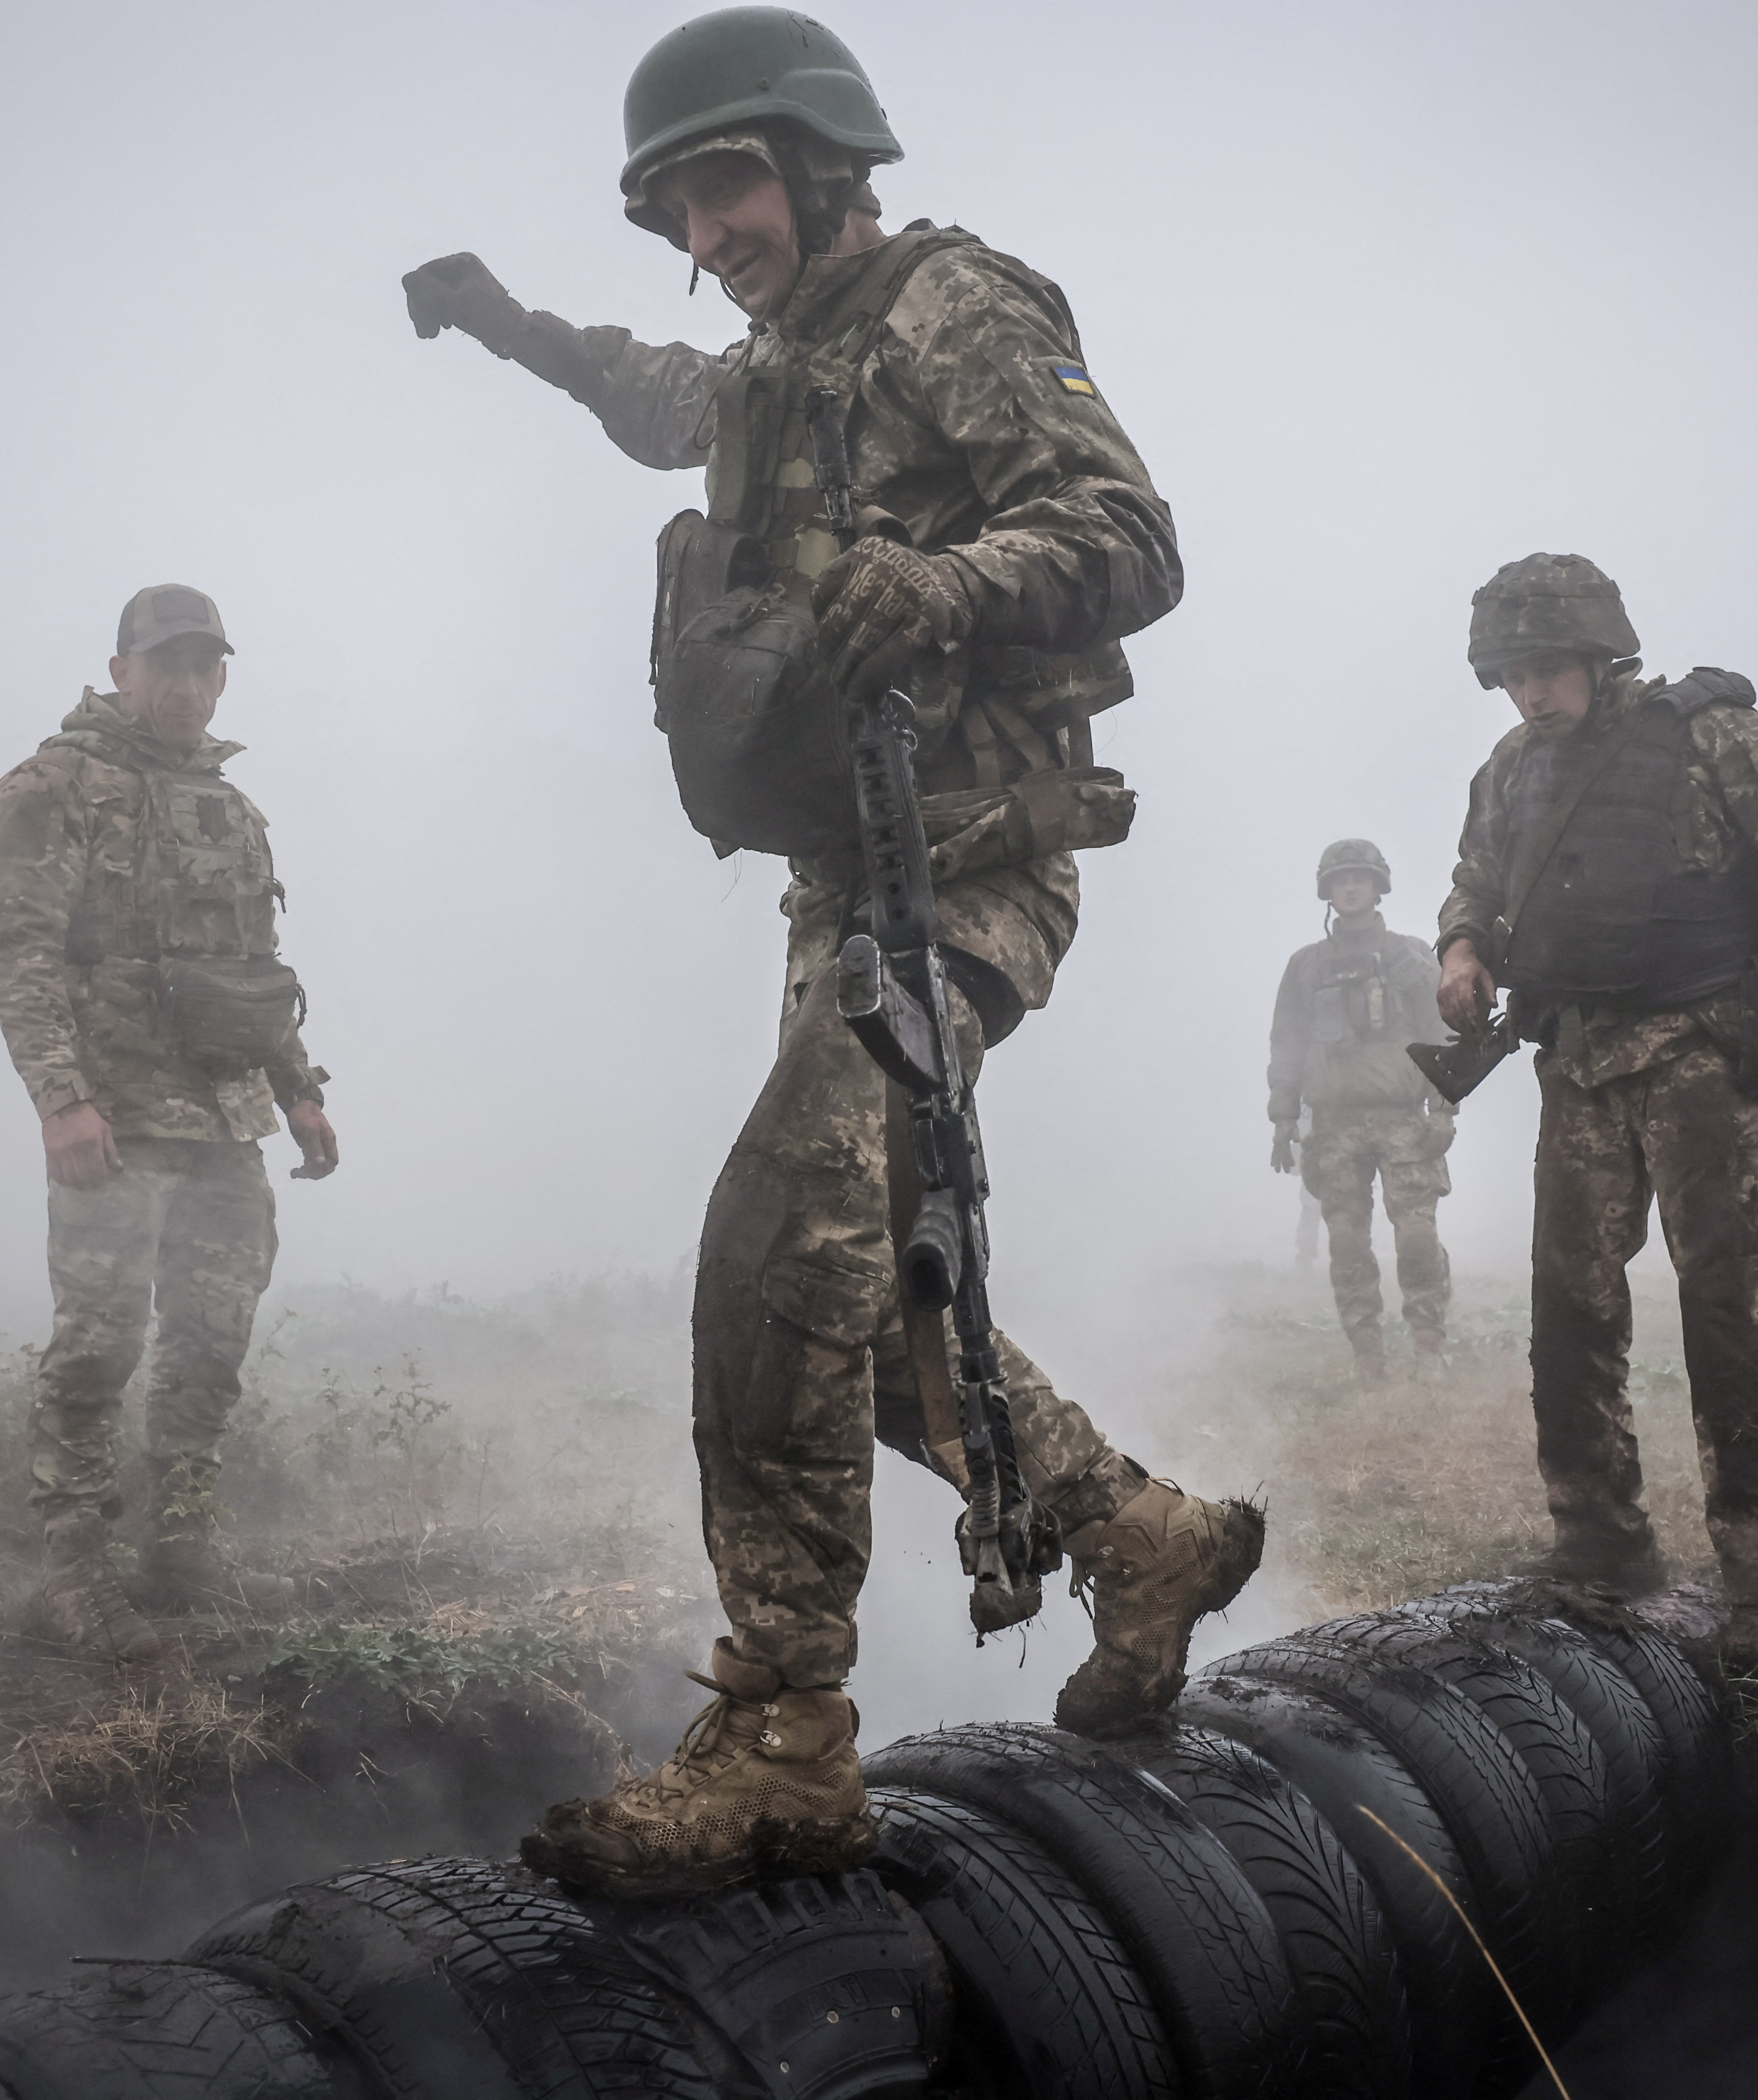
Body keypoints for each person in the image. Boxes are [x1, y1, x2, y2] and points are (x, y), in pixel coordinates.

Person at [402, 6, 1259, 1895]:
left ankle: (783, 1733)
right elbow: (650, 389)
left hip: (972, 865)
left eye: (725, 185)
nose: (707, 235)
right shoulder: (774, 372)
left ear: (814, 158)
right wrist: (503, 323)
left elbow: (1131, 535)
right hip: (840, 881)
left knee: (780, 1224)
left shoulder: (956, 307)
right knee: (861, 1317)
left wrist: (949, 584)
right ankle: (1143, 1537)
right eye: (679, 211)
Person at [1432, 554, 1758, 1665]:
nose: (1530, 694)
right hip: (1578, 1067)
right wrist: (1461, 944)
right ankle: (1599, 1546)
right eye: (1511, 676)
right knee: (1569, 1314)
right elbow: (1474, 877)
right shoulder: (1509, 770)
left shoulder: (1711, 734)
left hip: (1699, 1056)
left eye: (1545, 669)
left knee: (1728, 1320)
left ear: (1597, 651)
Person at [0, 584, 338, 1665]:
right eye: (163, 664)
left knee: (207, 1344)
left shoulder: (230, 809)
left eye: (202, 666)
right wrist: (61, 1102)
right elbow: (18, 955)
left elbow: (253, 970)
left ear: (221, 676)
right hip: (114, 1121)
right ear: (120, 669)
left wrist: (299, 1089)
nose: (184, 685)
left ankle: (182, 1551)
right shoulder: (50, 791)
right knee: (97, 1347)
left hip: (224, 1123)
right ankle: (75, 1576)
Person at [1269, 839, 1455, 1375]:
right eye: (1341, 880)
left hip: (1403, 1120)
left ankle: (1428, 1348)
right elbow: (1287, 1043)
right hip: (1334, 1125)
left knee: (1418, 1239)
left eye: (1361, 878)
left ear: (1378, 887)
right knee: (1348, 1245)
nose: (1351, 887)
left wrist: (1443, 1108)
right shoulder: (1306, 967)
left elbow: (1439, 1032)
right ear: (1328, 891)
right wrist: (1283, 1117)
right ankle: (1368, 1356)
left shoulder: (1411, 956)